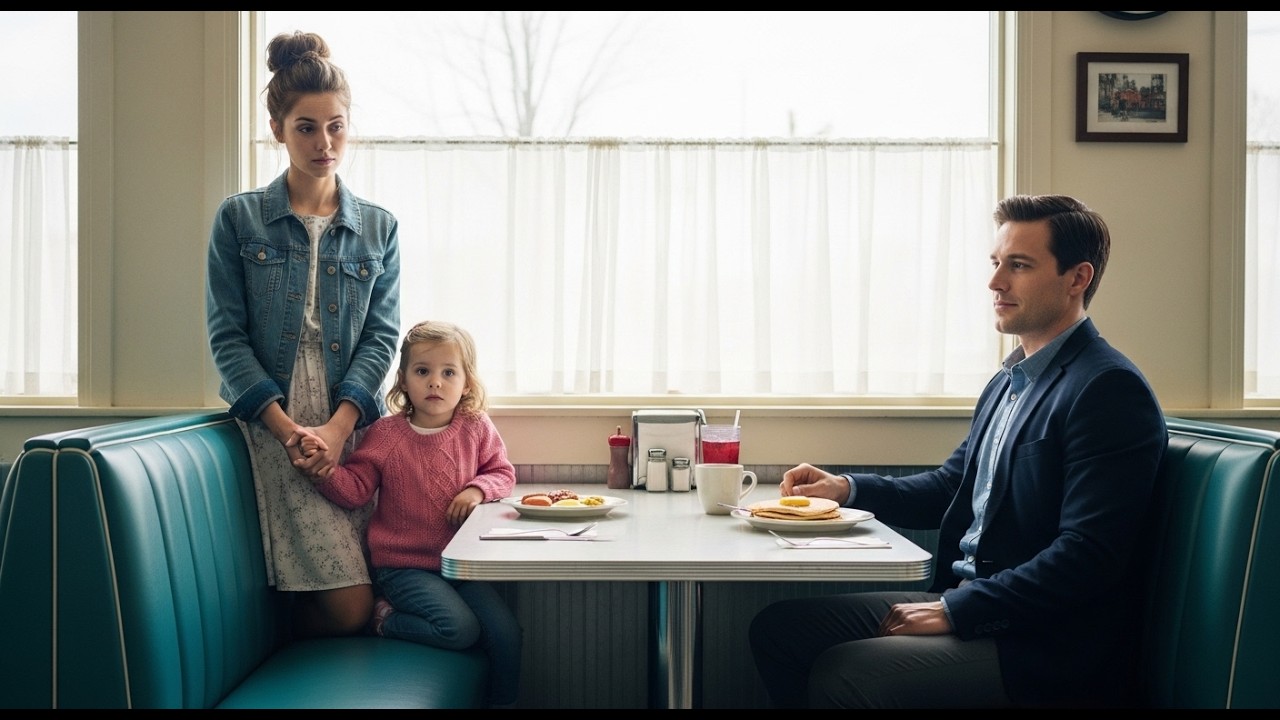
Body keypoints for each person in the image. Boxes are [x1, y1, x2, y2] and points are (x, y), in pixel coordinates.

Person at [749, 194, 1167, 708]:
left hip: (1043, 642)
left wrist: (958, 611)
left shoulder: (1107, 388)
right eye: (996, 263)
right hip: (969, 598)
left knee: (847, 671)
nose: (995, 283)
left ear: (1078, 278)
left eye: (1019, 265)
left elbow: (1087, 556)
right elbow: (951, 487)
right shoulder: (1010, 380)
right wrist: (846, 489)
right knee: (782, 629)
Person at [205, 30, 401, 638]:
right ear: (277, 129)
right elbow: (227, 338)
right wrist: (290, 431)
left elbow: (381, 337)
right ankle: (276, 639)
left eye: (336, 126)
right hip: (276, 423)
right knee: (351, 608)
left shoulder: (379, 227)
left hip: (353, 421)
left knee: (375, 577)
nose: (324, 143)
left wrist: (341, 430)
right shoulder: (239, 219)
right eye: (306, 128)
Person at [303, 320, 522, 709]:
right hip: (404, 567)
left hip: (462, 566)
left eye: (448, 372)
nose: (435, 383)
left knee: (506, 633)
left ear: (467, 383)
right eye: (423, 371)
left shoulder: (475, 427)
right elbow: (355, 490)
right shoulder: (386, 435)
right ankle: (383, 619)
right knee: (459, 629)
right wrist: (326, 473)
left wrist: (477, 489)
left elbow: (502, 472)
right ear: (403, 379)